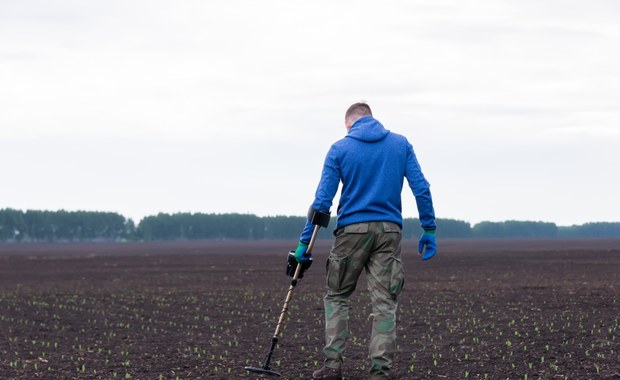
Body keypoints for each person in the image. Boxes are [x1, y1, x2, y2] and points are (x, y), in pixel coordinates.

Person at [293, 102, 437, 380]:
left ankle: (332, 366)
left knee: (337, 296)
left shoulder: (340, 149)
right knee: (385, 303)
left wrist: (303, 244)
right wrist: (428, 228)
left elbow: (322, 203)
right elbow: (421, 187)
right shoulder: (401, 144)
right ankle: (379, 373)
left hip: (351, 232)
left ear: (348, 123)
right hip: (390, 231)